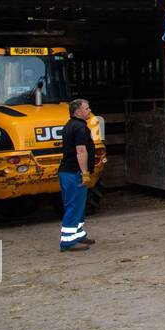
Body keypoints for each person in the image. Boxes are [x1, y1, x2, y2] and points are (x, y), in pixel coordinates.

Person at [58, 97, 97, 252]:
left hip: (68, 172)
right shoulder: (80, 128)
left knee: (78, 205)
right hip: (74, 172)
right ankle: (67, 242)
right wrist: (85, 173)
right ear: (78, 111)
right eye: (87, 108)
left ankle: (78, 234)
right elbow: (81, 151)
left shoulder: (70, 125)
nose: (89, 111)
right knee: (74, 205)